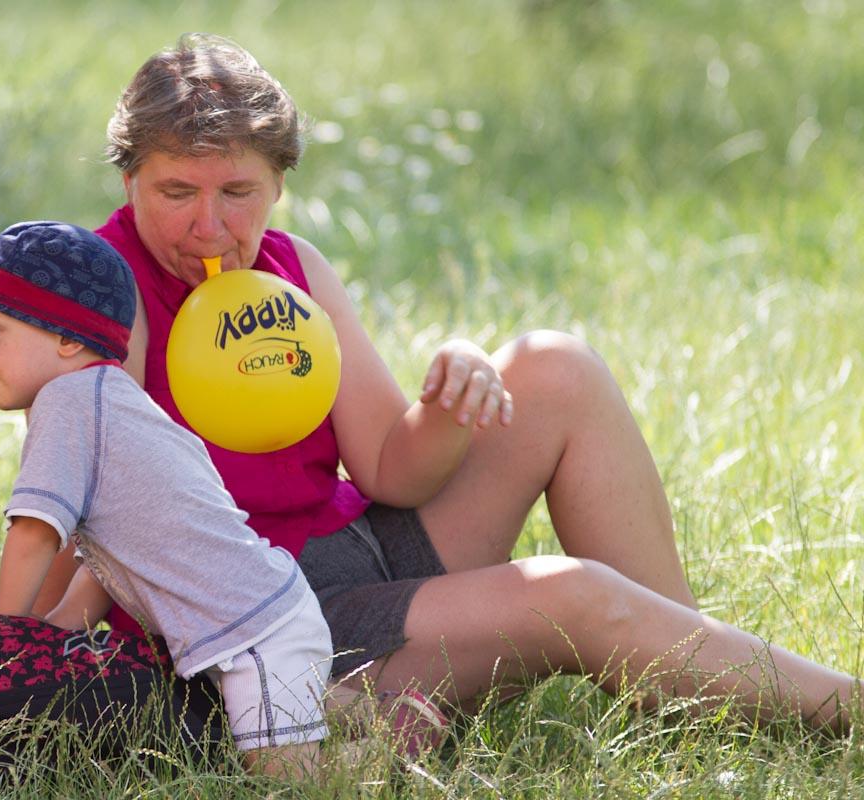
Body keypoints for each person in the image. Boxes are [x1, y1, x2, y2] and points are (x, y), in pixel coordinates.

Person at [75, 33, 861, 732]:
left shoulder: (295, 266)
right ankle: (841, 708)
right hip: (280, 620)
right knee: (572, 594)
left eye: (237, 192)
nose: (209, 226)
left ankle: (688, 672)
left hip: (358, 551)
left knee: (556, 366)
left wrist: (453, 396)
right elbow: (106, 510)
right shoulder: (107, 288)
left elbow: (391, 470)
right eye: (177, 193)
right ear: (130, 181)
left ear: (278, 184)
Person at [0, 220, 335, 774]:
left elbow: (34, 532)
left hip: (257, 634)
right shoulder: (114, 402)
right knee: (270, 742)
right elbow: (109, 559)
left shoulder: (67, 403)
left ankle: (387, 752)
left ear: (67, 337)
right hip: (254, 621)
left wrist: (1, 632)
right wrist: (54, 629)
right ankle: (365, 718)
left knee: (289, 779)